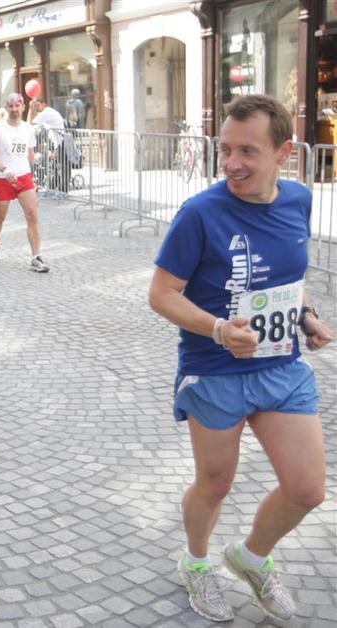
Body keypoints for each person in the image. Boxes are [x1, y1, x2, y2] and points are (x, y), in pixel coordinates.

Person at [149, 94, 332, 624]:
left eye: (247, 151)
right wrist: (218, 329)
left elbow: (288, 277)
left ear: (285, 153)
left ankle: (251, 558)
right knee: (215, 483)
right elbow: (161, 293)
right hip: (215, 370)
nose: (231, 163)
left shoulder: (298, 200)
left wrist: (306, 315)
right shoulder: (200, 213)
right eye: (226, 149)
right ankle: (196, 563)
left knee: (307, 489)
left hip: (281, 366)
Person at [0, 92, 48, 272]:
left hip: (24, 176)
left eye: (17, 106)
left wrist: (34, 171)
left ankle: (36, 257)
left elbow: (30, 153)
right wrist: (5, 170)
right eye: (11, 106)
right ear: (6, 108)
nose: (14, 109)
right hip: (3, 178)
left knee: (32, 215)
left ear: (22, 107)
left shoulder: (28, 129)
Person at [31, 99, 69, 196]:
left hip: (61, 141)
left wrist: (30, 110)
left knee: (61, 167)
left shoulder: (46, 113)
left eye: (38, 105)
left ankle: (62, 190)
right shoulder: (47, 112)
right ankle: (54, 187)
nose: (36, 108)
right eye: (35, 106)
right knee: (57, 166)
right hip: (58, 142)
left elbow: (33, 123)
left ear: (44, 104)